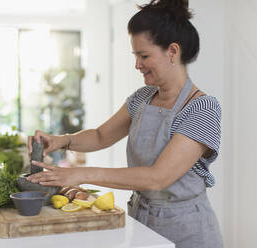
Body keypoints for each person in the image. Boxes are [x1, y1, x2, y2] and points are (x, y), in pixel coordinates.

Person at [27, 0, 223, 247]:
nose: (137, 65)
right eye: (136, 56)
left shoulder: (201, 108)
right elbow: (100, 136)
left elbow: (157, 178)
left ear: (172, 51)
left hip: (186, 229)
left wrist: (81, 174)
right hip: (141, 220)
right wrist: (62, 141)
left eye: (144, 55)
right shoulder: (142, 97)